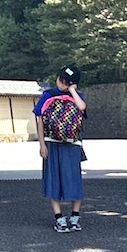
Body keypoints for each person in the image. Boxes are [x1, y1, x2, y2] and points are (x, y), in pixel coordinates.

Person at [35, 65, 88, 232]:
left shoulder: (77, 97)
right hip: (52, 142)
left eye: (67, 83)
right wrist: (41, 143)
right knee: (54, 179)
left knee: (74, 179)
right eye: (61, 80)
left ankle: (75, 216)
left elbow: (82, 108)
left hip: (72, 144)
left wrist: (72, 92)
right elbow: (39, 119)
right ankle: (59, 217)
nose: (62, 84)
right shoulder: (48, 95)